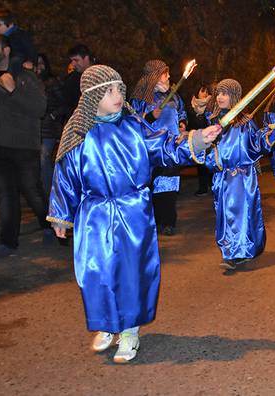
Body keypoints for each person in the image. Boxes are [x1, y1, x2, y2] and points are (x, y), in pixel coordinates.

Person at [47, 65, 221, 363]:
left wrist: (197, 140)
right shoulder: (77, 134)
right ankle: (106, 324)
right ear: (91, 98)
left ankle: (129, 330)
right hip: (95, 215)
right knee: (96, 272)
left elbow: (164, 146)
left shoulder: (134, 127)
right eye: (109, 91)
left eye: (119, 89)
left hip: (132, 212)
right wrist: (61, 214)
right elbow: (65, 176)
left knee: (131, 272)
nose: (118, 95)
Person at [0, 34, 51, 255]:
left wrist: (13, 90)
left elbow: (39, 108)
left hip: (23, 146)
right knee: (6, 195)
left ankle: (50, 225)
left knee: (32, 191)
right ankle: (7, 241)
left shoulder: (25, 76)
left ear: (6, 50)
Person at [198, 79, 275, 270]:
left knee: (238, 213)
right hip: (221, 176)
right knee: (224, 215)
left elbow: (255, 145)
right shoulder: (213, 121)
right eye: (218, 93)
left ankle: (234, 253)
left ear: (234, 97)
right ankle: (239, 248)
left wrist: (267, 134)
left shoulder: (245, 121)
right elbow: (207, 151)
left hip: (241, 176)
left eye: (225, 94)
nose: (220, 97)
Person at [130, 60, 188, 236]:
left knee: (169, 186)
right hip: (150, 150)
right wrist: (150, 116)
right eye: (165, 74)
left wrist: (182, 123)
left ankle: (168, 221)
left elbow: (182, 111)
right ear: (154, 77)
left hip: (171, 147)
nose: (169, 77)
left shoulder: (174, 95)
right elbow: (133, 122)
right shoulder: (140, 98)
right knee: (151, 187)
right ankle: (151, 221)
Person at [36, 53, 66, 196]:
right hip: (35, 128)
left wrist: (54, 115)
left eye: (41, 63)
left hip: (50, 128)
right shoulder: (31, 82)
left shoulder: (53, 82)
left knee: (44, 157)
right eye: (37, 63)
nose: (39, 66)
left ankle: (50, 193)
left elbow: (64, 103)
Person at [189, 84, 215, 196]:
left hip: (209, 137)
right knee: (200, 163)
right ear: (197, 92)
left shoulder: (211, 104)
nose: (204, 93)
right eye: (202, 91)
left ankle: (212, 184)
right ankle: (203, 187)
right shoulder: (191, 105)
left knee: (210, 161)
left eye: (206, 91)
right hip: (197, 138)